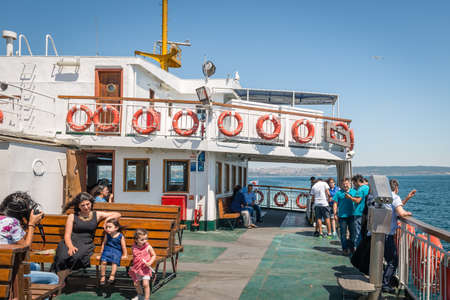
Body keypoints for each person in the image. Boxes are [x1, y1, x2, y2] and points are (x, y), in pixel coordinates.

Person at [52, 192, 121, 283]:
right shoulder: (72, 216)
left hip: (86, 242)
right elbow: (67, 235)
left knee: (77, 256)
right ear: (78, 206)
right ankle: (60, 280)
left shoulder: (97, 214)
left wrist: (106, 221)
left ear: (91, 203)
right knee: (62, 256)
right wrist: (70, 246)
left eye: (87, 204)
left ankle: (60, 280)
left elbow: (118, 214)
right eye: (82, 205)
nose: (86, 207)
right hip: (70, 241)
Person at [0, 192, 60, 289]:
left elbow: (17, 241)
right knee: (53, 278)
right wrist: (31, 224)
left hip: (4, 265)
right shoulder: (11, 222)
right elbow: (26, 248)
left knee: (35, 266)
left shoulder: (5, 220)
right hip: (5, 274)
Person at [381, 179, 413, 293]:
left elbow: (396, 206)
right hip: (388, 234)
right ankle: (385, 283)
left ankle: (384, 280)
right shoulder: (395, 197)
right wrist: (407, 213)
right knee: (394, 260)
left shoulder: (384, 197)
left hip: (380, 232)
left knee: (386, 258)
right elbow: (400, 212)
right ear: (396, 188)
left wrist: (407, 198)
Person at [97, 218, 127, 286]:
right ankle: (103, 276)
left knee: (114, 261)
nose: (107, 229)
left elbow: (123, 246)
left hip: (117, 251)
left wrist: (125, 254)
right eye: (107, 227)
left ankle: (112, 275)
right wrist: (101, 253)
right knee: (103, 261)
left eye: (110, 227)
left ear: (116, 228)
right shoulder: (107, 235)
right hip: (108, 249)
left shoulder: (120, 236)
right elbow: (104, 244)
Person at [129, 229, 156, 300]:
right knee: (136, 284)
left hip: (145, 269)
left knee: (145, 284)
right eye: (142, 239)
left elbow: (153, 255)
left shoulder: (148, 247)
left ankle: (147, 298)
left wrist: (150, 262)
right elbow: (135, 257)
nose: (145, 241)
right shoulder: (134, 247)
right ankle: (140, 295)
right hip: (137, 268)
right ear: (136, 240)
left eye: (146, 239)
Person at [333, 178, 356, 255]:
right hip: (342, 216)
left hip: (352, 215)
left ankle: (351, 247)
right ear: (341, 185)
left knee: (353, 233)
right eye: (344, 184)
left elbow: (358, 201)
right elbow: (335, 203)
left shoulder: (354, 192)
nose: (345, 185)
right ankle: (345, 248)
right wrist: (335, 214)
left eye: (347, 183)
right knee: (343, 233)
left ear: (350, 184)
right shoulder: (338, 193)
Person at [345, 174, 369, 247]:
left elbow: (358, 200)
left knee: (357, 232)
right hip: (365, 213)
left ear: (358, 181)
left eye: (354, 182)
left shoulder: (360, 189)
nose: (354, 185)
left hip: (358, 212)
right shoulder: (367, 188)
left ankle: (357, 249)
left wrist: (349, 197)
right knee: (363, 232)